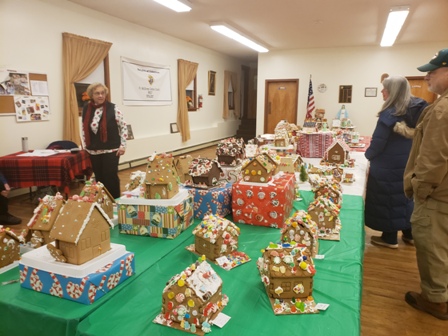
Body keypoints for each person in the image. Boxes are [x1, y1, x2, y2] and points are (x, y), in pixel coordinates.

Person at [403, 48, 448, 320]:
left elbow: (433, 159)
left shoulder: (442, 110)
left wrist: (419, 190)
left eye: (434, 70)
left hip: (436, 196)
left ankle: (434, 299)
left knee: (432, 246)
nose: (428, 75)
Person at [364, 76, 427, 248]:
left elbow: (378, 143)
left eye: (384, 89)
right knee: (405, 199)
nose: (382, 92)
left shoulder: (389, 114)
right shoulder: (416, 110)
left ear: (393, 91)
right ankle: (409, 235)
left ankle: (389, 238)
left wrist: (367, 156)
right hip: (407, 162)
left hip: (387, 166)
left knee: (388, 199)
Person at [81, 83, 128, 199]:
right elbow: (84, 128)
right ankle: (103, 201)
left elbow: (123, 127)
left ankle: (115, 201)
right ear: (92, 94)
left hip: (111, 149)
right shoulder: (86, 108)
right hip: (94, 150)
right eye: (97, 93)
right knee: (99, 178)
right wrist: (85, 146)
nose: (100, 96)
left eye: (103, 93)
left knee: (110, 177)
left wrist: (123, 145)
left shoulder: (114, 108)